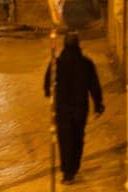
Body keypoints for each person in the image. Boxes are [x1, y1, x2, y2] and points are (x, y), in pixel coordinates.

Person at [44, 33, 105, 184]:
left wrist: (48, 93)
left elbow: (47, 83)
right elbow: (94, 86)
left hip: (62, 109)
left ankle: (67, 172)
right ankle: (74, 167)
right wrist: (98, 106)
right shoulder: (86, 64)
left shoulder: (56, 63)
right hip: (80, 109)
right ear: (78, 45)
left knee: (65, 140)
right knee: (78, 138)